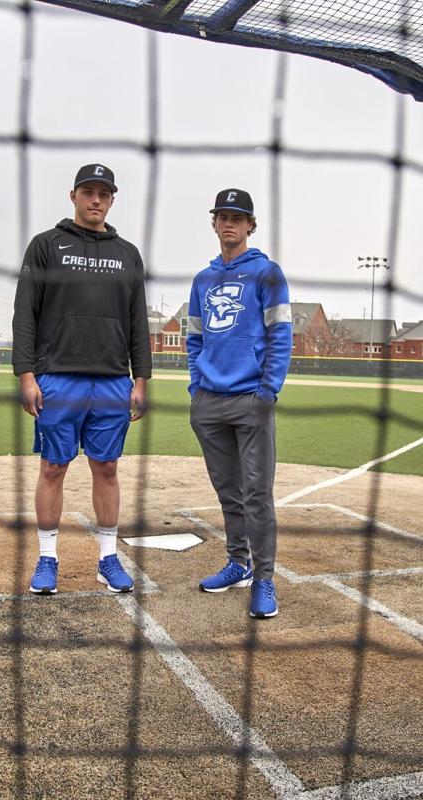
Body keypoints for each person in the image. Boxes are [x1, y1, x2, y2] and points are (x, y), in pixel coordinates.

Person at [12, 163, 151, 595]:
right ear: (73, 195)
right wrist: (26, 374)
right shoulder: (46, 246)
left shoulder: (127, 253)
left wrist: (141, 379)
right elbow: (24, 315)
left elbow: (137, 322)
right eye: (88, 191)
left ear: (112, 200)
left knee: (106, 468)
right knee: (53, 467)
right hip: (58, 378)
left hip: (111, 380)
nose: (96, 200)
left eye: (104, 193)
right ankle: (47, 559)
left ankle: (108, 558)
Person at [187, 188, 292, 618]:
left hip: (251, 399)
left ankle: (264, 580)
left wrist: (268, 391)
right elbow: (193, 336)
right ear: (213, 223)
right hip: (209, 402)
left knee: (257, 495)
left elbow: (281, 335)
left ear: (250, 225)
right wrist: (197, 385)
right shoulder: (202, 279)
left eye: (238, 217)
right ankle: (238, 563)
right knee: (228, 491)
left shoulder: (267, 273)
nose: (229, 223)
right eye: (223, 217)